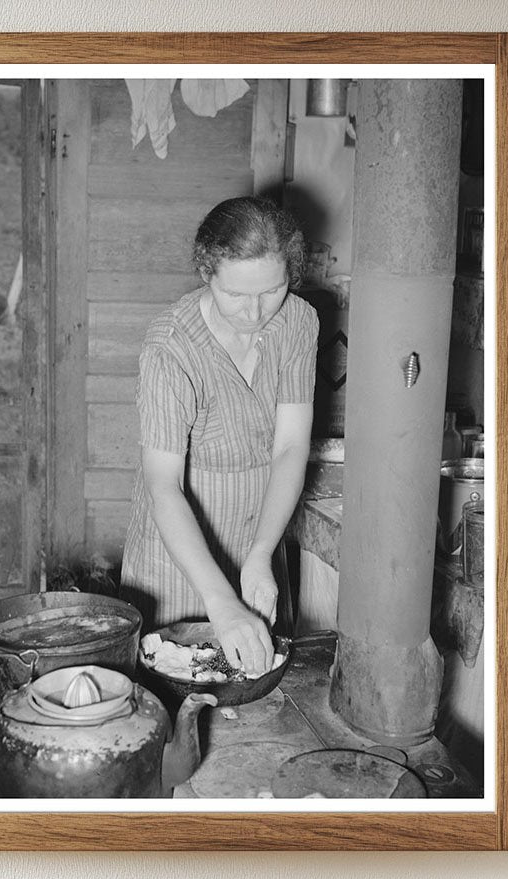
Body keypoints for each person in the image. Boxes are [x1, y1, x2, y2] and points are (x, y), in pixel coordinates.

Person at [120, 197, 319, 677]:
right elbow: (163, 485)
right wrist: (219, 600)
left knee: (254, 689)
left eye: (271, 290)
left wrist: (259, 554)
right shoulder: (171, 348)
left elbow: (291, 447)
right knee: (175, 691)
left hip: (259, 538)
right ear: (206, 272)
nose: (254, 312)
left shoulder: (296, 322)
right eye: (236, 295)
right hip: (178, 559)